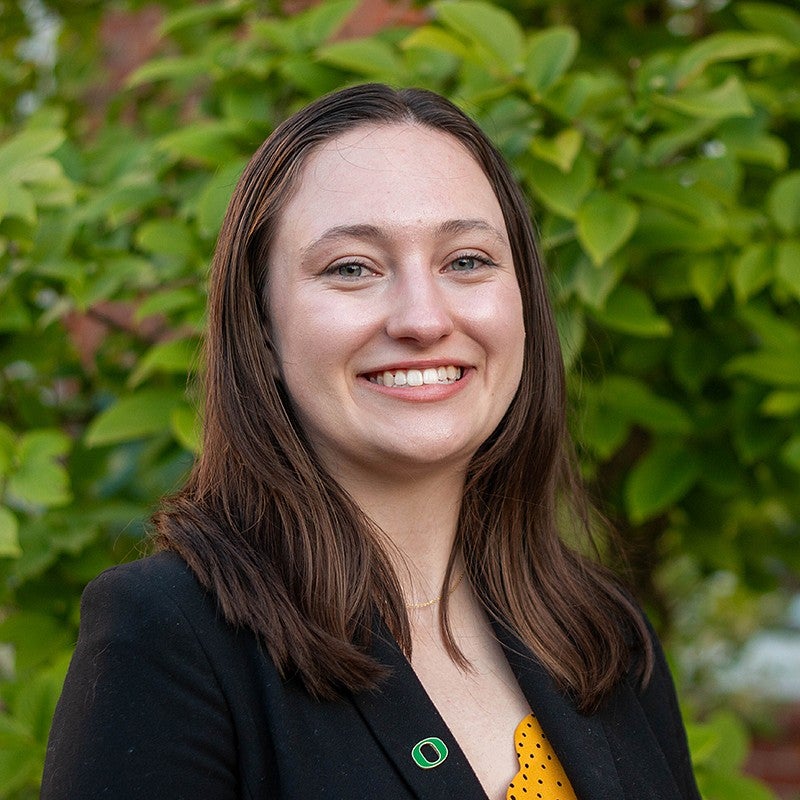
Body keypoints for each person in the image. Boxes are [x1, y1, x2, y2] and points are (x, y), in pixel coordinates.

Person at [42, 83, 700, 800]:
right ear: (261, 325)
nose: (422, 318)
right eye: (352, 267)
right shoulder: (170, 638)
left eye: (467, 261)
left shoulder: (603, 638)